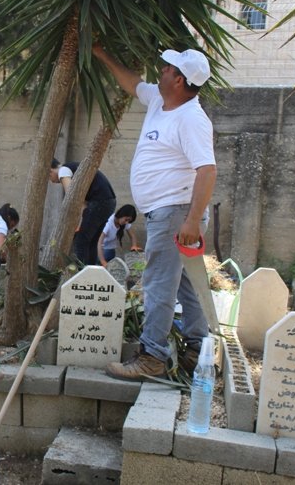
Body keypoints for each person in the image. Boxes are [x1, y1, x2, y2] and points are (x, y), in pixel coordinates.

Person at [93, 45, 217, 380]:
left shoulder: (191, 118)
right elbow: (132, 83)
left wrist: (192, 220)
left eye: (167, 68)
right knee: (187, 285)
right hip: (169, 212)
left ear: (178, 79)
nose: (160, 70)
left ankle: (152, 356)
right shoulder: (160, 102)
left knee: (160, 283)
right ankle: (196, 350)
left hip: (176, 213)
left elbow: (207, 171)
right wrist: (103, 54)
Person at [49, 159, 117, 266]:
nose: (51, 181)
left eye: (49, 177)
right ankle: (90, 271)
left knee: (81, 241)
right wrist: (80, 223)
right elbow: (83, 204)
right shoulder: (74, 166)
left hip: (98, 202)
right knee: (92, 242)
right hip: (109, 202)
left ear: (50, 170)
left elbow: (72, 198)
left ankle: (81, 274)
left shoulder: (63, 171)